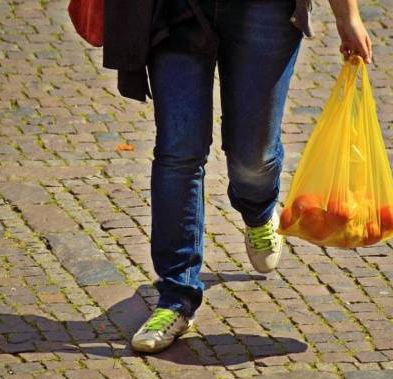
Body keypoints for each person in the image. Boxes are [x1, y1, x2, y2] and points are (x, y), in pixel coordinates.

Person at [121, 0, 372, 353]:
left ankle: (257, 209)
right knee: (178, 151)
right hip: (175, 8)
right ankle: (176, 297)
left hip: (265, 8)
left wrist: (348, 16)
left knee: (252, 157)